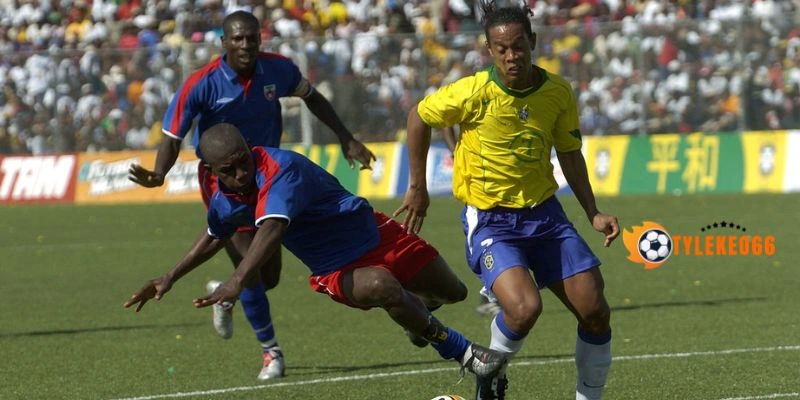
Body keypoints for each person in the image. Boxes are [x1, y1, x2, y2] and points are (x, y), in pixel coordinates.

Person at [123, 123, 508, 382]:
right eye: (231, 169)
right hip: (335, 267)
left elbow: (272, 229)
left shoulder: (279, 170)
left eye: (244, 161)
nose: (242, 173)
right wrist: (168, 277)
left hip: (375, 233)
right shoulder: (225, 197)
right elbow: (213, 234)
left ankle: (417, 321)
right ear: (211, 171)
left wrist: (237, 282)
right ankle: (462, 353)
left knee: (453, 292)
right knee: (382, 286)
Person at [127, 11, 375, 380]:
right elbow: (172, 136)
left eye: (252, 38)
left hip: (267, 177)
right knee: (250, 268)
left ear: (260, 40)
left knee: (267, 274)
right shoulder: (201, 84)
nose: (246, 45)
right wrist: (160, 173)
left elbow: (313, 97)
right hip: (223, 182)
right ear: (224, 43)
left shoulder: (279, 70)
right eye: (238, 39)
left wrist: (345, 136)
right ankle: (270, 351)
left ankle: (227, 289)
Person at [394, 2, 620, 400]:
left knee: (595, 311)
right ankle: (489, 373)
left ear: (532, 42)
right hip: (492, 221)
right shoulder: (474, 90)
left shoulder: (557, 91)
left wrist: (593, 211)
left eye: (519, 46)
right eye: (502, 49)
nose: (512, 56)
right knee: (524, 308)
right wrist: (418, 187)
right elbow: (418, 117)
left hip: (546, 217)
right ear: (489, 50)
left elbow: (568, 152)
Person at [441, 125, 501, 318]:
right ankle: (491, 294)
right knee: (495, 239)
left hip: (506, 175)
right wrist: (455, 150)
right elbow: (443, 122)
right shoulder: (465, 97)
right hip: (480, 187)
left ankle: (490, 295)